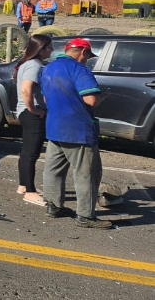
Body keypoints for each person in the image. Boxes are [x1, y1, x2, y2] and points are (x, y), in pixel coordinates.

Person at [41, 38, 111, 228]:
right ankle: (86, 216)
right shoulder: (80, 70)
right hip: (78, 129)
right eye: (88, 56)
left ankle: (53, 206)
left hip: (54, 127)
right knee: (86, 173)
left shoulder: (49, 68)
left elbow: (46, 99)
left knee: (53, 170)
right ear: (83, 53)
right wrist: (101, 97)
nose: (87, 60)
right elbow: (90, 100)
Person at [15, 34, 54, 206]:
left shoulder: (29, 64)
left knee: (27, 152)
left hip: (26, 112)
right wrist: (33, 109)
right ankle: (30, 192)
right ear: (41, 49)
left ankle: (24, 185)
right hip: (31, 114)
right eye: (49, 47)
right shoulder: (34, 66)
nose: (51, 50)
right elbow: (26, 89)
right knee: (31, 153)